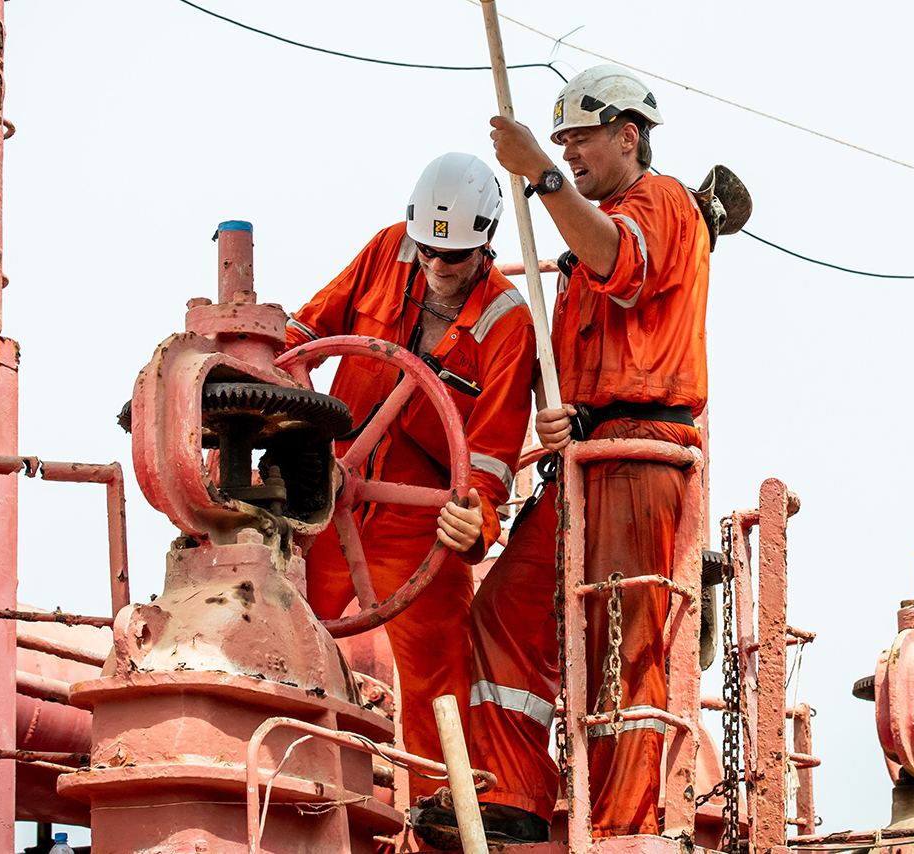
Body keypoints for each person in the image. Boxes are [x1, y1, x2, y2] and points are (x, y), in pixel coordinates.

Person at [414, 66, 711, 846]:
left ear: (630, 134)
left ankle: (622, 827)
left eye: (581, 138)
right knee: (503, 612)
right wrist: (568, 415)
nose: (570, 151)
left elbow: (621, 265)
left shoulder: (664, 203)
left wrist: (538, 177)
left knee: (622, 641)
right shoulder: (588, 231)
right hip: (586, 457)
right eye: (563, 142)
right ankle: (511, 792)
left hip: (642, 459)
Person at [281, 153, 537, 800]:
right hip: (325, 494)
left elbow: (491, 454)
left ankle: (436, 817)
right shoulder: (387, 253)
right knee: (273, 629)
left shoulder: (508, 326)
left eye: (451, 256)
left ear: (485, 248)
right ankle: (267, 789)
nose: (434, 264)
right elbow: (305, 334)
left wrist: (472, 517)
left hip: (417, 520)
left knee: (433, 679)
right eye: (426, 248)